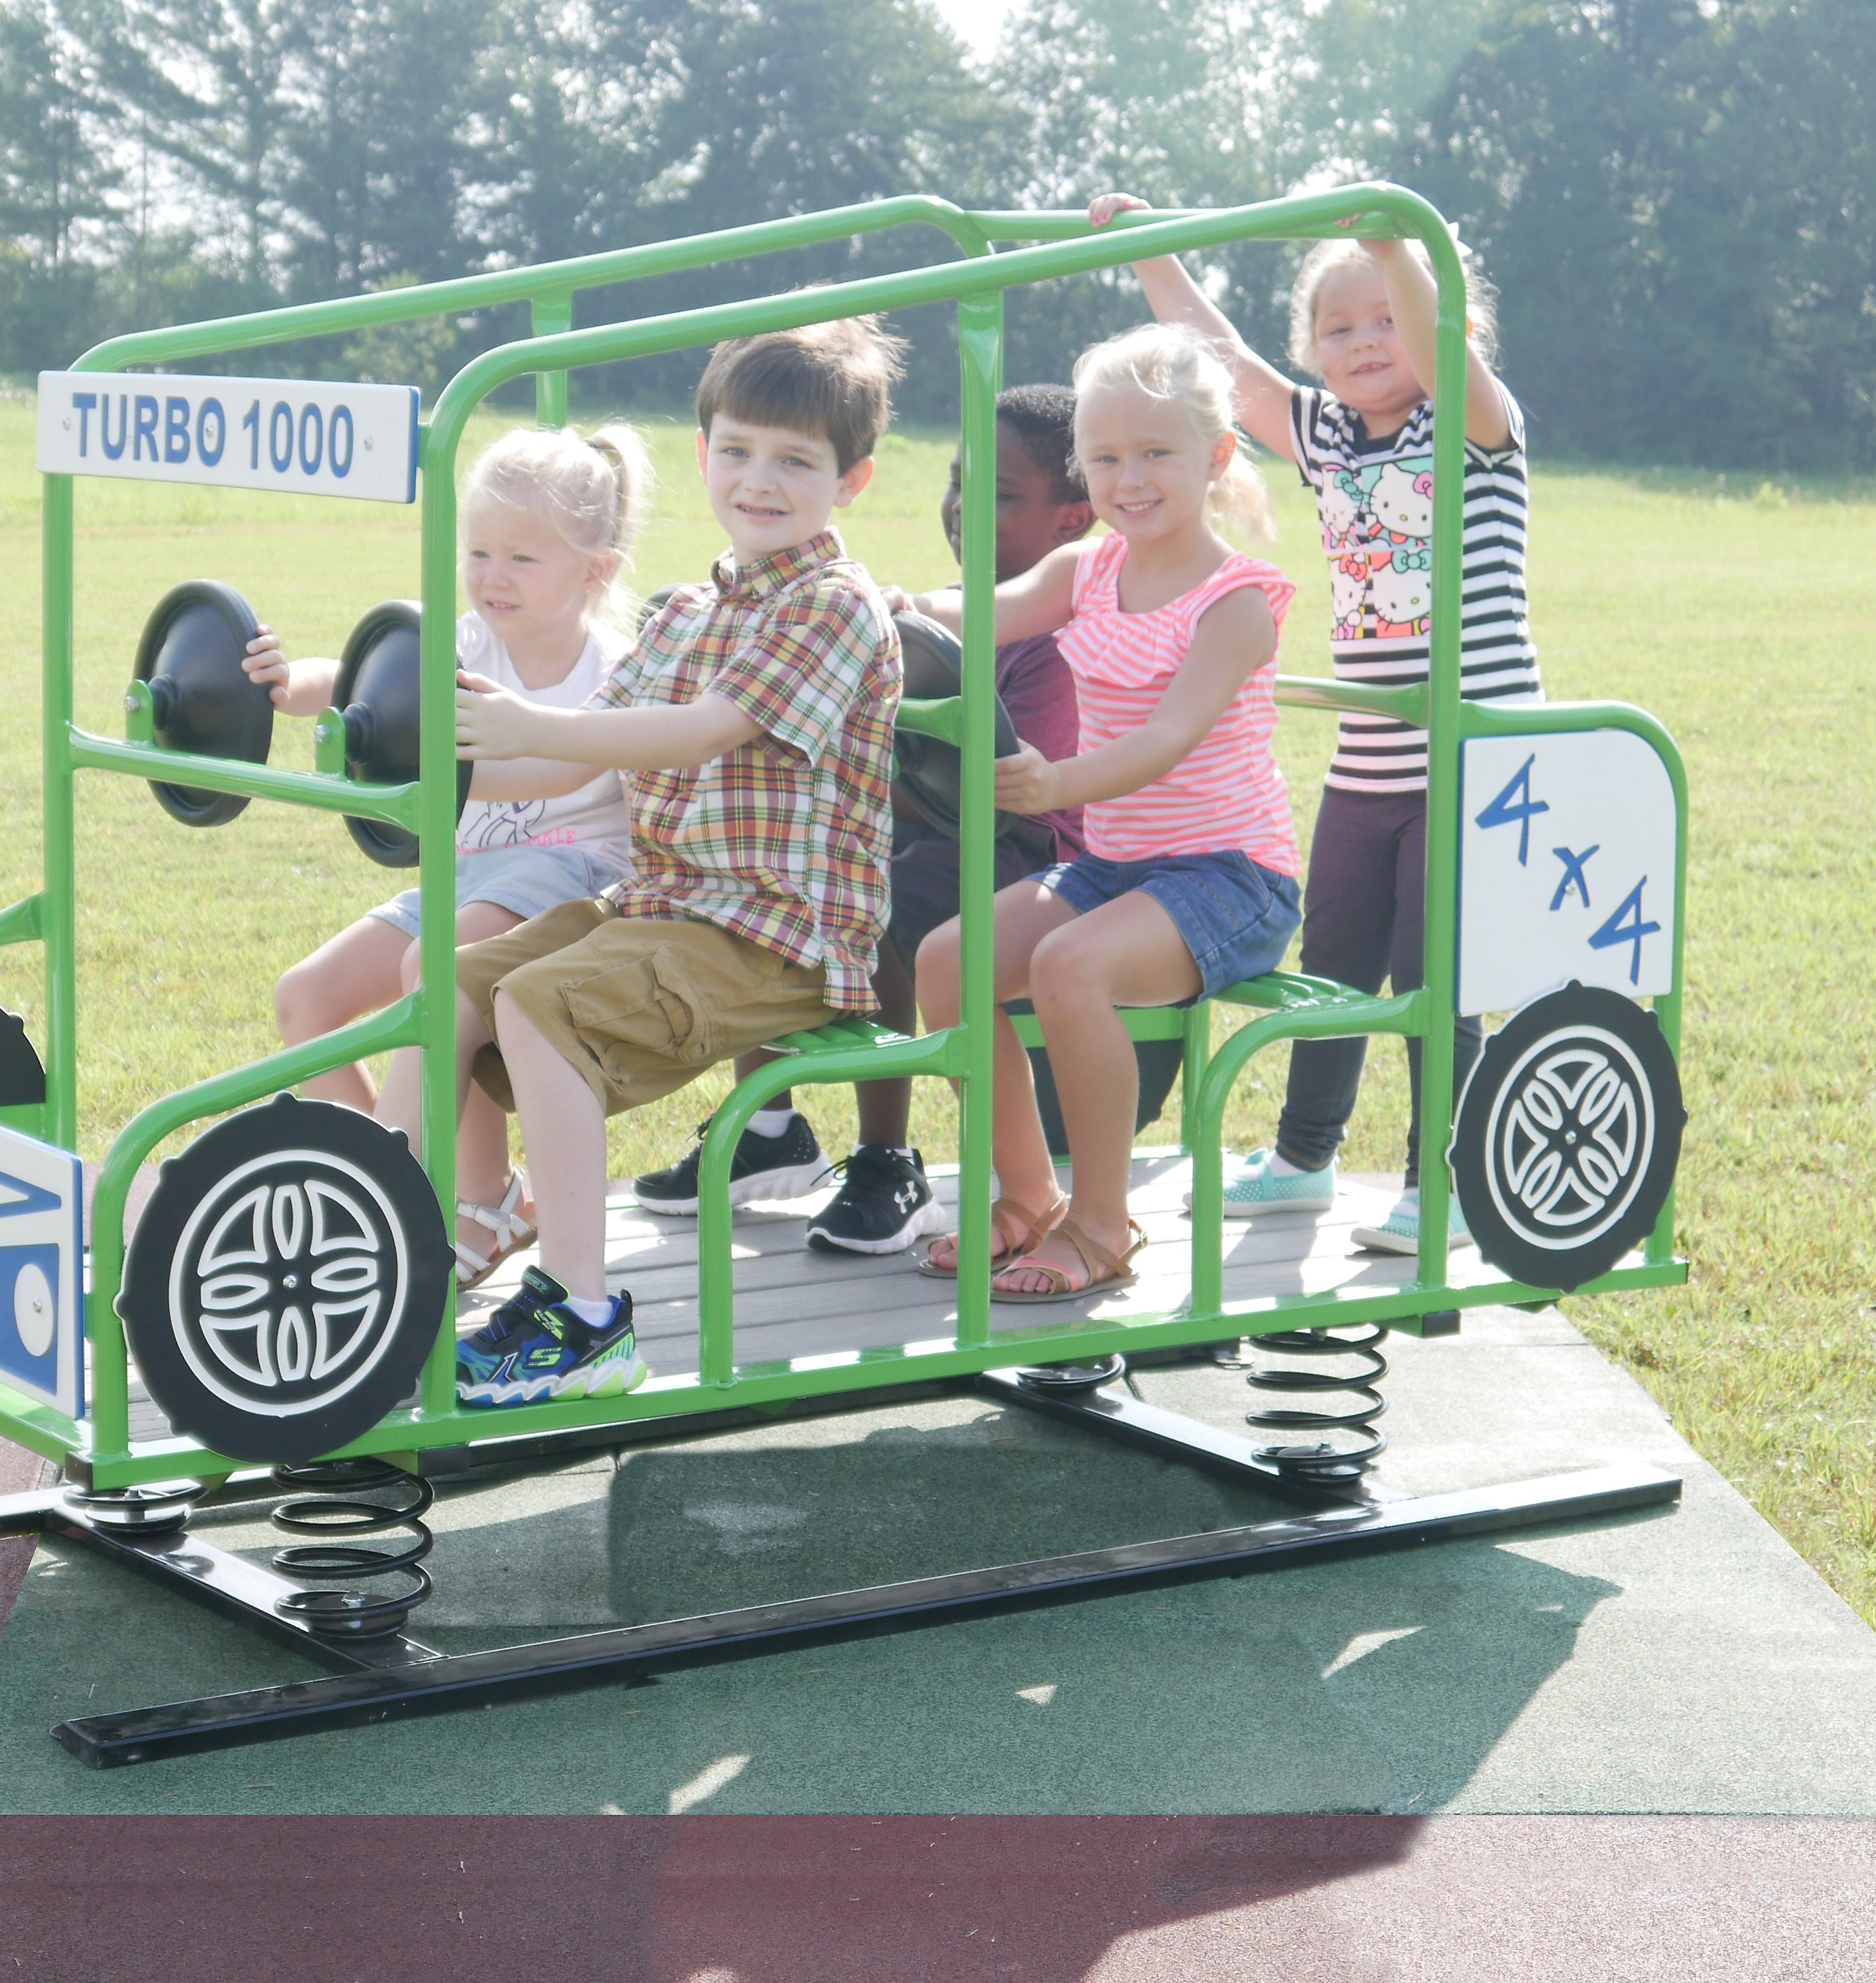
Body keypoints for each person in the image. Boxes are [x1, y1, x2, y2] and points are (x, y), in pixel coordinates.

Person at [379, 317, 906, 1406]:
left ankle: (581, 1311)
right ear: (704, 446)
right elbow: (578, 770)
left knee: (536, 999)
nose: (759, 480)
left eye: (794, 461)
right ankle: (395, 1237)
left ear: (848, 480)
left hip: (773, 933)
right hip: (658, 906)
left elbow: (699, 731)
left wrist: (530, 725)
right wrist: (430, 770)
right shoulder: (685, 607)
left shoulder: (832, 609)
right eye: (737, 450)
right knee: (442, 977)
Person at [1089, 193, 1539, 1251]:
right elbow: (1227, 365)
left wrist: (1397, 249)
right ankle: (1302, 1153)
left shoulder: (1471, 424)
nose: (1364, 342)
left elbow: (1435, 339)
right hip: (1371, 748)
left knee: (1439, 970)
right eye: (1337, 328)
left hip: (1471, 747)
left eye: (1385, 317)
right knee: (1333, 955)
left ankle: (1452, 1177)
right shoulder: (1328, 435)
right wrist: (1152, 250)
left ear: (1446, 326)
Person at [632, 383, 1129, 1254]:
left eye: (1000, 494)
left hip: (1025, 848)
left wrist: (852, 778)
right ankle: (767, 1130)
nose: (964, 507)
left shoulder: (1055, 639)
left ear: (1070, 522)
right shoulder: (930, 611)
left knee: (883, 897)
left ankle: (887, 1155)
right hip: (927, 827)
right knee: (778, 862)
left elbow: (1007, 788)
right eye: (956, 481)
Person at [904, 323, 1302, 1299]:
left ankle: (1101, 1221)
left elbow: (1165, 738)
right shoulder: (1083, 573)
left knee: (1065, 966)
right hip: (1113, 868)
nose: (1129, 478)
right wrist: (878, 602)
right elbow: (968, 610)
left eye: (1155, 454)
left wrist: (1054, 784)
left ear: (1212, 459)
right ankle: (1028, 1191)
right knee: (945, 962)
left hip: (1228, 877)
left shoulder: (1234, 601)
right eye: (1107, 457)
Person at [244, 423, 650, 1286]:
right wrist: (294, 685)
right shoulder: (467, 645)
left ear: (596, 569)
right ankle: (423, 1194)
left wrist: (445, 775)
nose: (491, 576)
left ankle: (457, 1203)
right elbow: (365, 678)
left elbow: (573, 762)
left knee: (438, 965)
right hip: (468, 872)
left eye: (521, 560)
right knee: (305, 1000)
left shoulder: (619, 670)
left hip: (573, 869)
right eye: (479, 552)